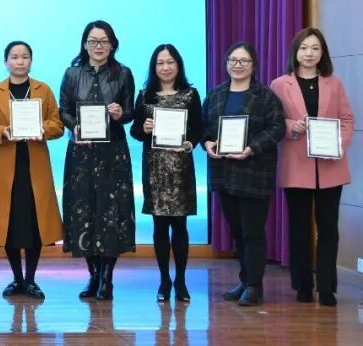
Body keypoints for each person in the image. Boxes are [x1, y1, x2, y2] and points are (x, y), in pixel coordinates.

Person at [270, 28, 355, 306]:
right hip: (296, 166)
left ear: (322, 53)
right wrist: (292, 127)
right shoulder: (280, 84)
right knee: (299, 228)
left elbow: (347, 120)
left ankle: (327, 287)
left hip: (331, 166)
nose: (309, 53)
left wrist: (338, 143)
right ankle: (303, 285)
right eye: (304, 48)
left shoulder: (334, 83)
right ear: (295, 52)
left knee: (328, 228)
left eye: (315, 48)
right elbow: (273, 122)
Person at [0, 40, 64, 300]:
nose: (20, 61)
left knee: (35, 224)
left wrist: (42, 129)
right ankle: (17, 278)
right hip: (5, 166)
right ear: (6, 62)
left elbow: (58, 124)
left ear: (31, 61)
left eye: (25, 56)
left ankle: (31, 280)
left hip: (35, 165)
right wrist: (2, 131)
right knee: (9, 224)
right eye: (14, 57)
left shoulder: (43, 89)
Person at [203, 41, 285, 307]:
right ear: (226, 64)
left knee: (252, 233)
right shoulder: (215, 95)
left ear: (253, 65)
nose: (238, 65)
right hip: (224, 173)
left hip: (254, 173)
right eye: (233, 60)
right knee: (237, 232)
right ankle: (245, 280)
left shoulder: (265, 96)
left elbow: (277, 128)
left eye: (244, 61)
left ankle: (254, 286)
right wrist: (207, 143)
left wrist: (251, 148)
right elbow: (204, 128)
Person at [58, 20, 136, 301]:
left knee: (111, 213)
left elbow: (131, 112)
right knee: (83, 212)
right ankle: (93, 275)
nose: (98, 46)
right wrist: (75, 127)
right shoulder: (72, 74)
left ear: (112, 44)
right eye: (93, 41)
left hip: (112, 153)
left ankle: (107, 278)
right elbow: (63, 110)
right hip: (81, 152)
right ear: (85, 44)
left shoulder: (123, 73)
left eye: (103, 41)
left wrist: (120, 114)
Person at [129, 44, 203, 302]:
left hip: (181, 168)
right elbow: (135, 131)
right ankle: (164, 280)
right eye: (160, 63)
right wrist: (144, 128)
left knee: (180, 226)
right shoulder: (144, 95)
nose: (166, 67)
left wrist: (190, 143)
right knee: (159, 226)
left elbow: (198, 128)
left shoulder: (190, 94)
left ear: (178, 65)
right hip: (155, 169)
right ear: (154, 67)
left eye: (170, 62)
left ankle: (181, 281)